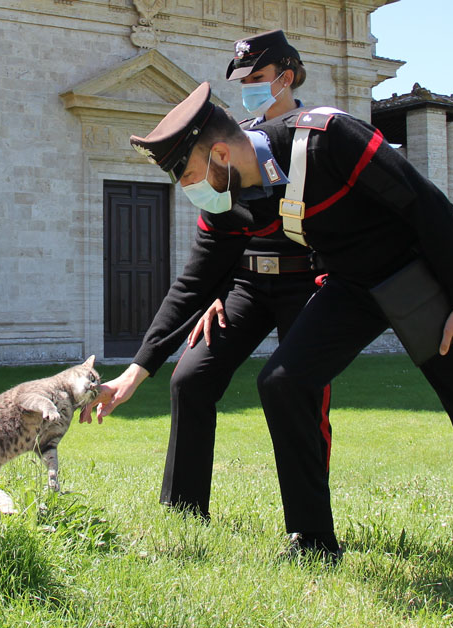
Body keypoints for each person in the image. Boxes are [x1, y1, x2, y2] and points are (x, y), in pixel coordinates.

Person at [99, 81, 453, 593]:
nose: (193, 189)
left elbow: (428, 207)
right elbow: (195, 280)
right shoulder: (232, 198)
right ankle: (313, 542)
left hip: (424, 276)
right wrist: (138, 369)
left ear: (221, 152)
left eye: (192, 175)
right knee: (283, 382)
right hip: (350, 286)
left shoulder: (330, 137)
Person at [160, 30, 333, 521]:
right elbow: (221, 226)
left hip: (305, 281)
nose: (249, 88)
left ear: (286, 76)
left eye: (258, 78)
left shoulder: (314, 136)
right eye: (243, 80)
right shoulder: (233, 136)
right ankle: (184, 511)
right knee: (190, 378)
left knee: (297, 393)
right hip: (246, 284)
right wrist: (215, 293)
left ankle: (309, 527)